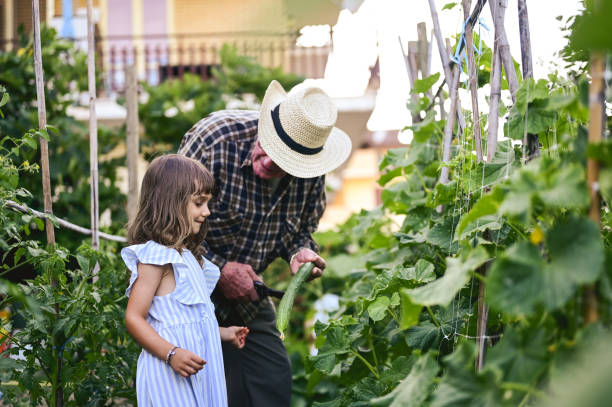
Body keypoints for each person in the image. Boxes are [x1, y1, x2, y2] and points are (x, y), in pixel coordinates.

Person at [178, 80, 352, 406]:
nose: (271, 162)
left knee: (272, 381)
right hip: (187, 291)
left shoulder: (312, 171)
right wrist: (219, 270)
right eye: (269, 147)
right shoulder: (214, 141)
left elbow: (301, 230)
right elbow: (166, 227)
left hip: (248, 295)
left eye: (287, 161)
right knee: (206, 387)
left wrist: (300, 252)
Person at [122, 154, 250, 406]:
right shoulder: (155, 257)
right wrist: (171, 354)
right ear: (171, 202)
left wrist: (223, 333)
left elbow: (189, 318)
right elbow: (134, 317)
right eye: (199, 203)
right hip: (169, 372)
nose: (207, 211)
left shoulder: (187, 256)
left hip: (194, 368)